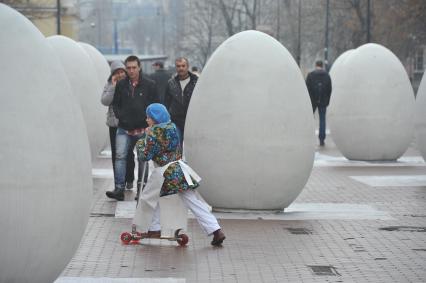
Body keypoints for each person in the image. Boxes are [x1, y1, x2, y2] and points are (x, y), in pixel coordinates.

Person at [133, 103, 226, 246]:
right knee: (192, 201)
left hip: (164, 172)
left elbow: (145, 155)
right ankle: (215, 229)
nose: (147, 119)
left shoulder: (155, 133)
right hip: (179, 169)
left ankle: (155, 228)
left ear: (155, 118)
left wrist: (142, 140)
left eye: (149, 117)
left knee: (149, 198)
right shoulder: (172, 127)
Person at [106, 55, 158, 201]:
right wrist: (120, 116)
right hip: (124, 127)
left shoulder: (150, 84)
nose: (131, 70)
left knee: (143, 158)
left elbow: (155, 105)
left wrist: (150, 123)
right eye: (128, 68)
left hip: (143, 129)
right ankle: (119, 189)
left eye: (134, 67)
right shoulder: (121, 84)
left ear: (139, 67)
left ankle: (141, 189)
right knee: (120, 156)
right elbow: (115, 103)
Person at [101, 60, 138, 190]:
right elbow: (105, 101)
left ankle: (129, 178)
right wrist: (113, 86)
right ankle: (118, 182)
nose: (120, 74)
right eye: (117, 72)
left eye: (122, 71)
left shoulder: (131, 83)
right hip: (114, 124)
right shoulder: (110, 84)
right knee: (116, 154)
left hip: (127, 124)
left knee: (128, 153)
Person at [164, 57, 198, 142]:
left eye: (183, 66)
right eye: (178, 66)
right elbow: (167, 102)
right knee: (177, 145)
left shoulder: (196, 82)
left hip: (192, 120)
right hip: (175, 120)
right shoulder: (171, 83)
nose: (181, 68)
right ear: (176, 67)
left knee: (192, 146)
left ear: (187, 66)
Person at [306, 60, 332, 146]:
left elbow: (307, 89)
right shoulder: (327, 75)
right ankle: (321, 139)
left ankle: (308, 136)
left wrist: (310, 100)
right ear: (322, 66)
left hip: (312, 101)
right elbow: (329, 89)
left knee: (309, 119)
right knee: (322, 120)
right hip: (323, 100)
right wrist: (327, 101)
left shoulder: (310, 75)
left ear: (316, 65)